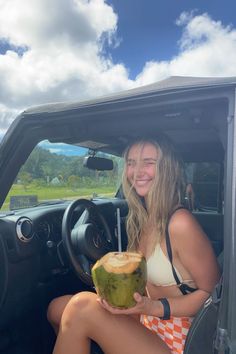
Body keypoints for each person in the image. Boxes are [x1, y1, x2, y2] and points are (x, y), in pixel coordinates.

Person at [48, 137, 220, 354]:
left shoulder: (180, 224)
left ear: (166, 169)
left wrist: (155, 307)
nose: (137, 171)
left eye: (148, 162)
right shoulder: (143, 219)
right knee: (57, 308)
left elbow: (213, 295)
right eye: (131, 163)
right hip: (148, 320)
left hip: (180, 337)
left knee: (81, 306)